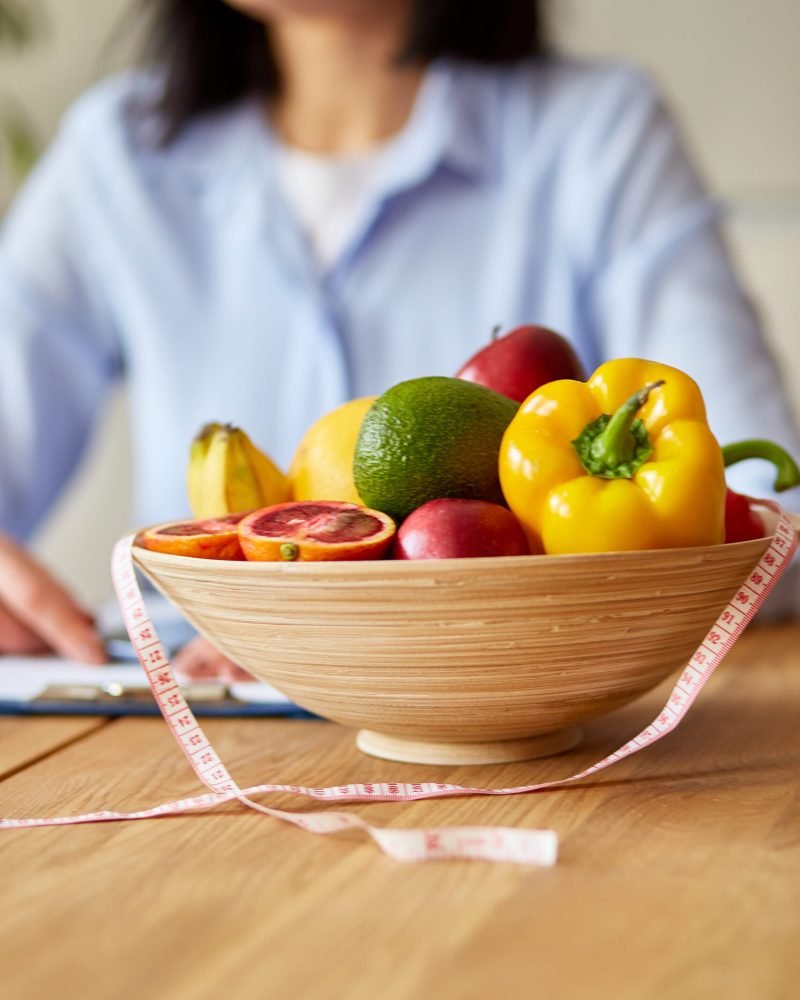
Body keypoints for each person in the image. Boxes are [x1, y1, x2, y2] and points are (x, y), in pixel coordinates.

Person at [1, 0, 798, 679]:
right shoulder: (114, 158)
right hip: (199, 730)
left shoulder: (598, 134)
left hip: (523, 715)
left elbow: (772, 532)